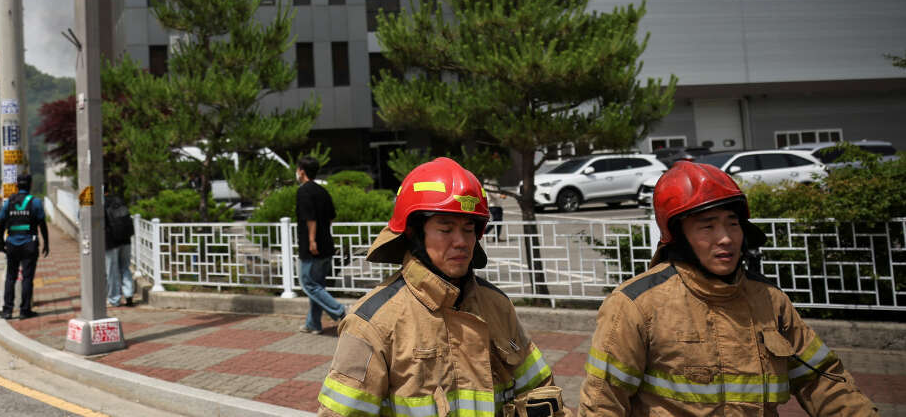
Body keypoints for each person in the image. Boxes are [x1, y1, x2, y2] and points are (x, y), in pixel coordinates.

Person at [578, 161, 878, 415]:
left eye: (732, 224)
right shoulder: (636, 305)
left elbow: (824, 382)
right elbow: (602, 404)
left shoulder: (770, 302)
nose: (725, 238)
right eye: (707, 226)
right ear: (679, 237)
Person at [318, 157, 565, 417]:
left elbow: (539, 392)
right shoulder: (373, 323)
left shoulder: (497, 305)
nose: (461, 242)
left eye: (469, 229)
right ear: (414, 234)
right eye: (446, 229)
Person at [295, 157, 345, 334]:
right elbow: (331, 216)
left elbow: (310, 218)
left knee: (308, 284)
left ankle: (341, 311)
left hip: (312, 247)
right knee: (318, 286)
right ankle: (313, 323)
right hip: (326, 245)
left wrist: (312, 240)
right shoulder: (323, 191)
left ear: (302, 171)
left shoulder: (304, 192)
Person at [0, 173, 49, 319]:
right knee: (27, 278)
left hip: (12, 243)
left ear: (16, 185)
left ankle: (7, 310)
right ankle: (25, 310)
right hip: (29, 244)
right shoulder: (36, 202)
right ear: (30, 185)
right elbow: (42, 224)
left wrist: (1, 242)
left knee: (11, 277)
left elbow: (1, 222)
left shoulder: (9, 202)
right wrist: (47, 243)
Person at [104, 190, 135, 307]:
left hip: (110, 242)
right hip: (126, 239)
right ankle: (129, 295)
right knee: (125, 267)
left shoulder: (100, 202)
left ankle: (114, 299)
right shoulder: (119, 200)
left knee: (112, 271)